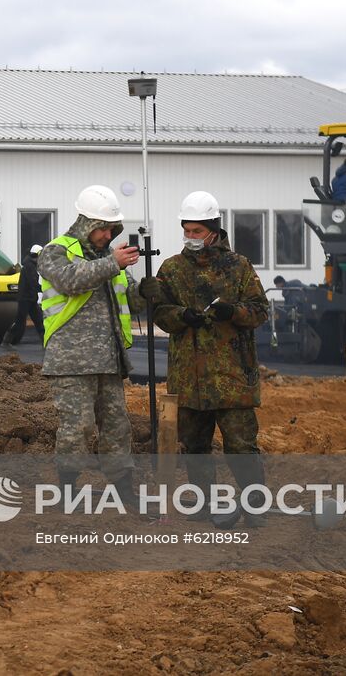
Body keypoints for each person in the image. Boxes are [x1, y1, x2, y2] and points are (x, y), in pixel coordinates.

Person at [141, 190, 269, 528]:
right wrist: (183, 316)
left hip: (232, 377)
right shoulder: (172, 268)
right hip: (190, 379)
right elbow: (162, 314)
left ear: (213, 230)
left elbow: (260, 311)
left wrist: (233, 311)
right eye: (187, 230)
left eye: (197, 231)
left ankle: (255, 505)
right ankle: (203, 503)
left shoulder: (238, 267)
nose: (191, 237)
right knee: (195, 446)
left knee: (241, 446)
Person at [38, 184, 141, 501]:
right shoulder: (56, 251)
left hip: (109, 360)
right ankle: (67, 491)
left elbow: (129, 297)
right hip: (71, 361)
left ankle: (124, 491)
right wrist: (113, 263)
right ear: (87, 223)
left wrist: (149, 290)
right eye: (103, 228)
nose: (108, 235)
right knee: (77, 428)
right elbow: (70, 281)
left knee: (117, 428)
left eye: (112, 229)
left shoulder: (109, 260)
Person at [1, 243, 45, 349]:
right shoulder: (30, 267)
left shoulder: (30, 265)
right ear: (38, 255)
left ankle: (46, 342)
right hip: (25, 299)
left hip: (30, 299)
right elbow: (32, 283)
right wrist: (45, 289)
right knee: (20, 322)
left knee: (39, 320)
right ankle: (6, 342)